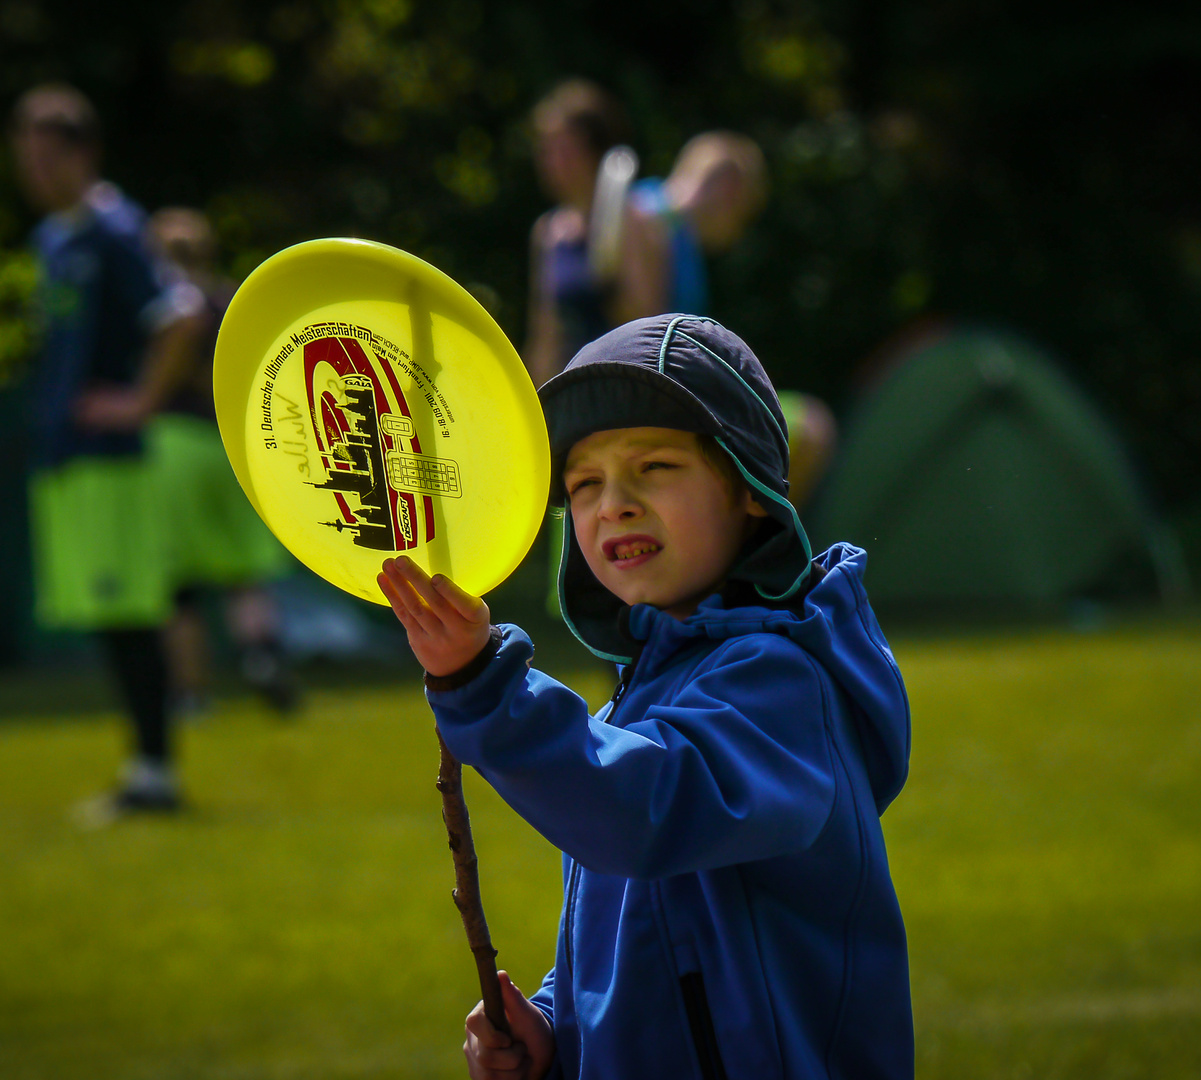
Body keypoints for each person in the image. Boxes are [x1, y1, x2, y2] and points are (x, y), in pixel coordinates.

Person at [378, 314, 915, 1079]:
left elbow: (650, 813)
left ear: (750, 489)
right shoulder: (636, 703)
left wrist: (484, 687)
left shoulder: (782, 683)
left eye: (654, 467)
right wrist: (558, 1027)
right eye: (584, 483)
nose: (613, 505)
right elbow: (656, 934)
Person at [10, 83, 184, 815]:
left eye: (50, 156)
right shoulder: (53, 241)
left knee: (131, 613)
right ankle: (143, 767)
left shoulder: (116, 230)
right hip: (65, 456)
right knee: (105, 617)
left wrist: (139, 401)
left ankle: (157, 775)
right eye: (27, 159)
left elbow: (178, 317)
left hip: (112, 459)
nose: (36, 172)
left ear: (85, 154)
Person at [133, 208, 299, 715]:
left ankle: (190, 694)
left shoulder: (161, 304)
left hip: (173, 444)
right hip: (230, 446)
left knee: (177, 586)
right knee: (244, 573)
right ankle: (262, 657)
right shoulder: (231, 299)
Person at [521, 79, 632, 387]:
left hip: (624, 390)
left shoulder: (632, 220)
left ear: (596, 152)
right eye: (547, 150)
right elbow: (545, 335)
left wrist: (607, 277)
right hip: (571, 394)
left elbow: (648, 321)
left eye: (564, 149)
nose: (552, 163)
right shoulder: (548, 232)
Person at [613, 131, 769, 323]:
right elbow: (640, 323)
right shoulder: (644, 215)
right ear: (729, 190)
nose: (737, 233)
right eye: (742, 216)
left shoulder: (681, 235)